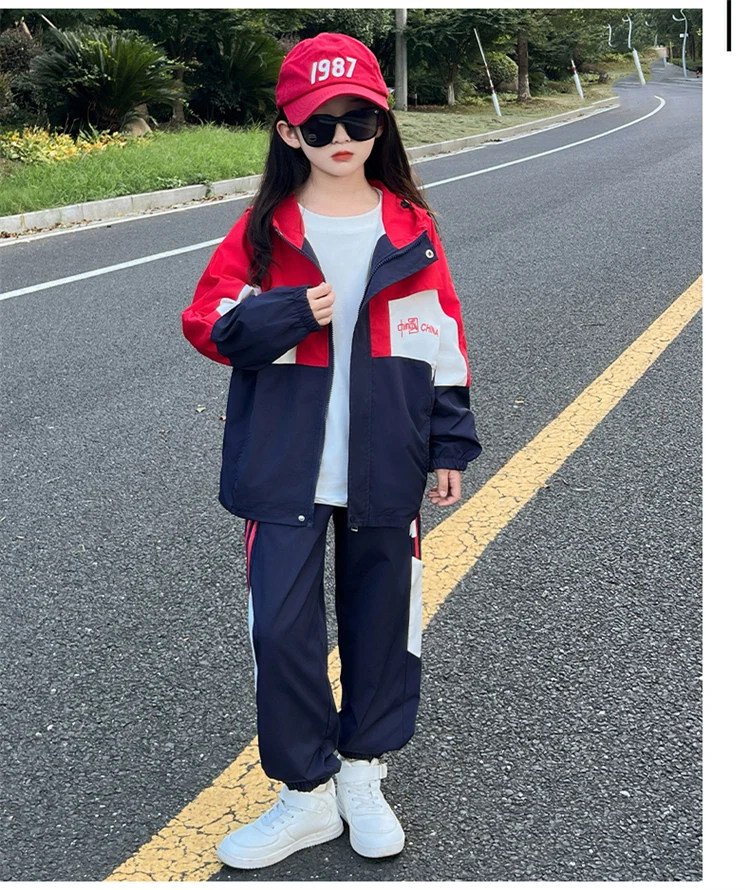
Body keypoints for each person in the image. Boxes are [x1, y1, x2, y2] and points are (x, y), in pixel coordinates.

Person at [181, 32, 482, 870]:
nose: (342, 137)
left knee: (383, 625)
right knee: (281, 634)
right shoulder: (263, 232)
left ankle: (362, 771)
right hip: (285, 468)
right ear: (288, 131)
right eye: (320, 124)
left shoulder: (411, 228)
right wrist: (287, 311)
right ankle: (305, 795)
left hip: (386, 463)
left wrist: (449, 442)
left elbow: (441, 341)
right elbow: (207, 324)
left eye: (360, 119)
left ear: (383, 124)